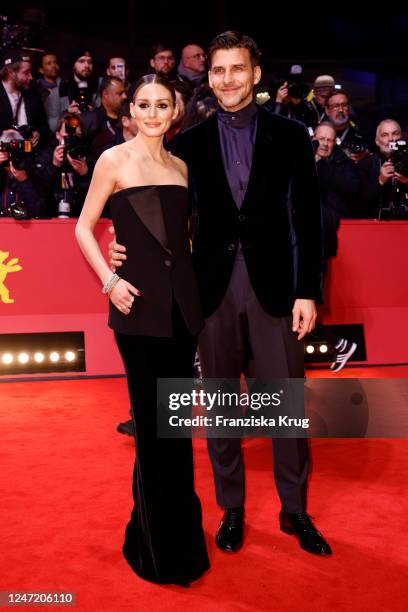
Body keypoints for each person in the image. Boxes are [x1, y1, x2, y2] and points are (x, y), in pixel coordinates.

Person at [110, 31, 332, 557]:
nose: (227, 79)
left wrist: (307, 291)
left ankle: (294, 509)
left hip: (275, 289)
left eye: (237, 69)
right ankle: (231, 507)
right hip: (207, 292)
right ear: (207, 76)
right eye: (217, 70)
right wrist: (122, 247)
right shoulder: (187, 145)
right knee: (223, 408)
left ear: (256, 75)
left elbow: (307, 220)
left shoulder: (292, 136)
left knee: (284, 405)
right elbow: (160, 212)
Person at [75, 74, 209, 586]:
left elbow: (183, 242)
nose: (153, 113)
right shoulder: (114, 159)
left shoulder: (181, 166)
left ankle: (160, 535)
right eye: (144, 104)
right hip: (137, 310)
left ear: (175, 111)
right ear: (131, 109)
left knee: (173, 432)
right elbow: (83, 227)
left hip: (182, 314)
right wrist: (110, 280)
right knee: (153, 434)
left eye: (162, 105)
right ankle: (159, 553)